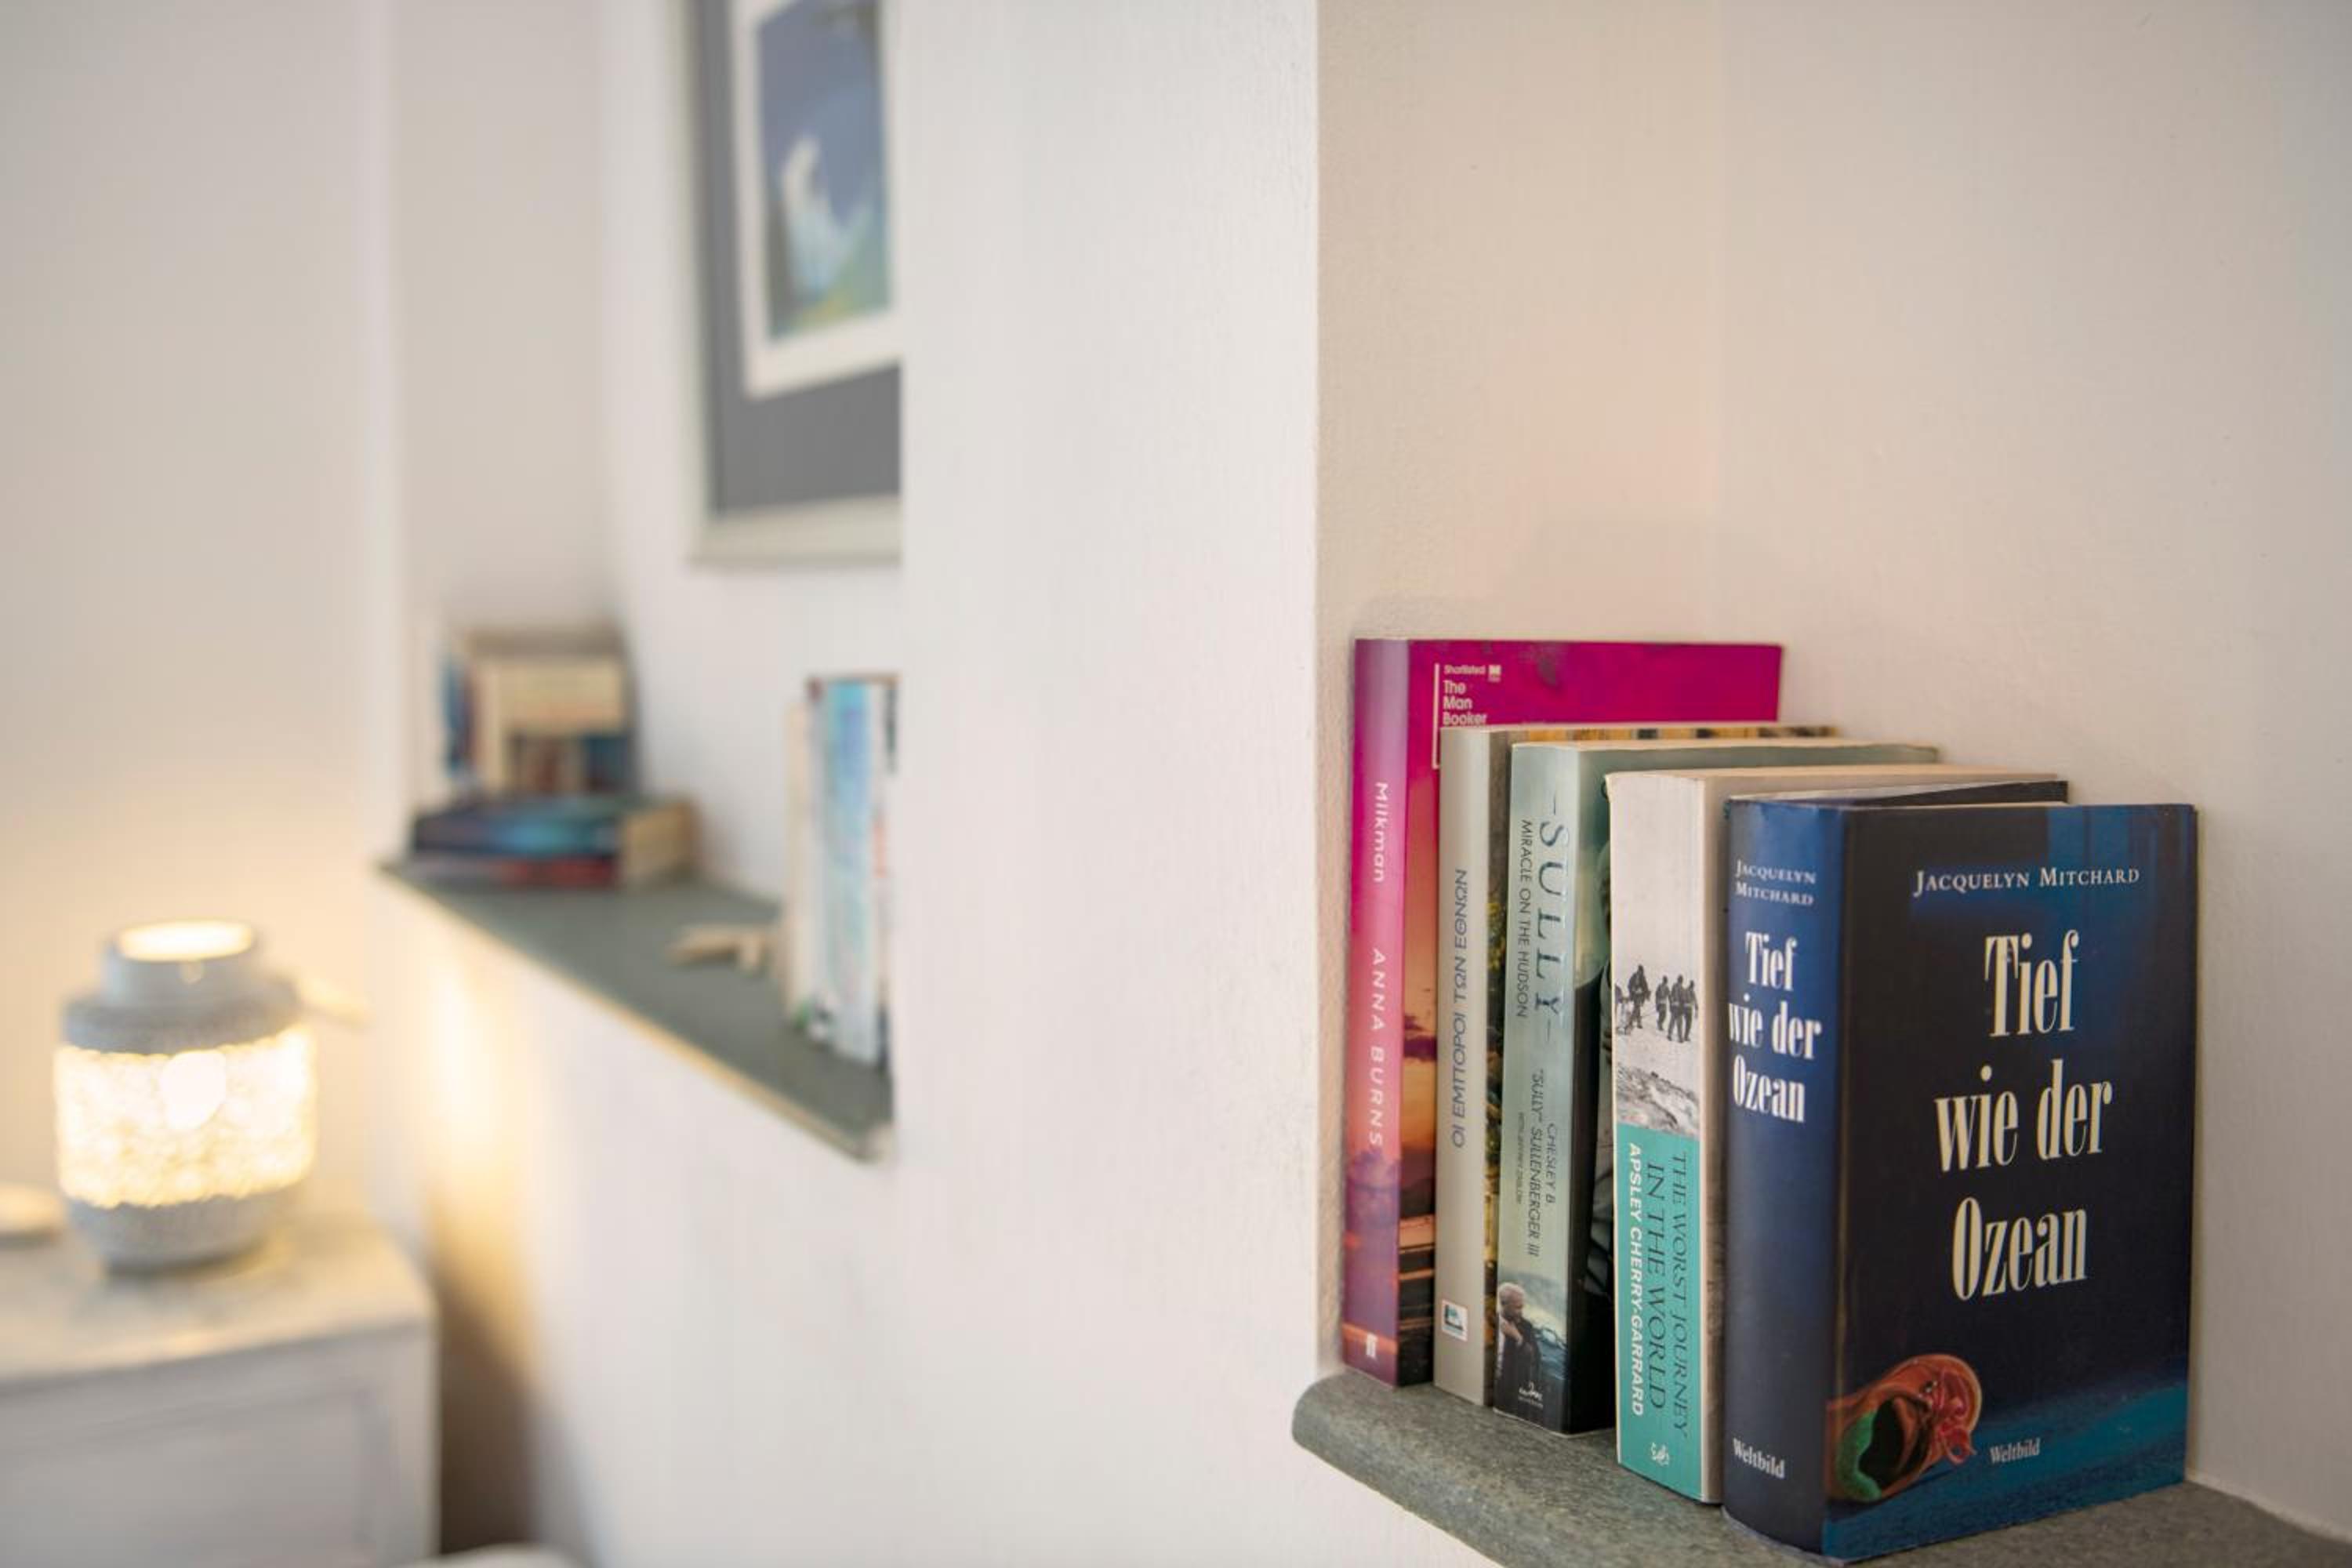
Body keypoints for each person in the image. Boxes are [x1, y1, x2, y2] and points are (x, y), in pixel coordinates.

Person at [1495, 1282, 1537, 1407]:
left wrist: (1518, 1337)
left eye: (1522, 1307)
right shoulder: (1489, 1317)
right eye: (1517, 1308)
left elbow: (1535, 1357)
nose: (1521, 1312)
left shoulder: (1527, 1327)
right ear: (1503, 1304)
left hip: (1509, 1394)